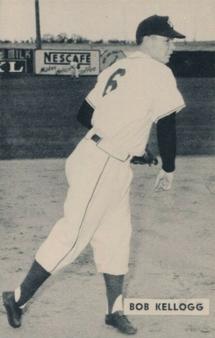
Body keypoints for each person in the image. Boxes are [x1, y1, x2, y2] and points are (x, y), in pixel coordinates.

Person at [2, 15, 185, 335]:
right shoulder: (159, 72)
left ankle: (114, 311)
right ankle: (17, 297)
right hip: (102, 165)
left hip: (97, 156)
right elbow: (167, 124)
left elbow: (85, 114)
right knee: (72, 236)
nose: (172, 46)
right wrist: (168, 168)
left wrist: (128, 144)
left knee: (116, 237)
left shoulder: (116, 68)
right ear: (150, 40)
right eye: (168, 40)